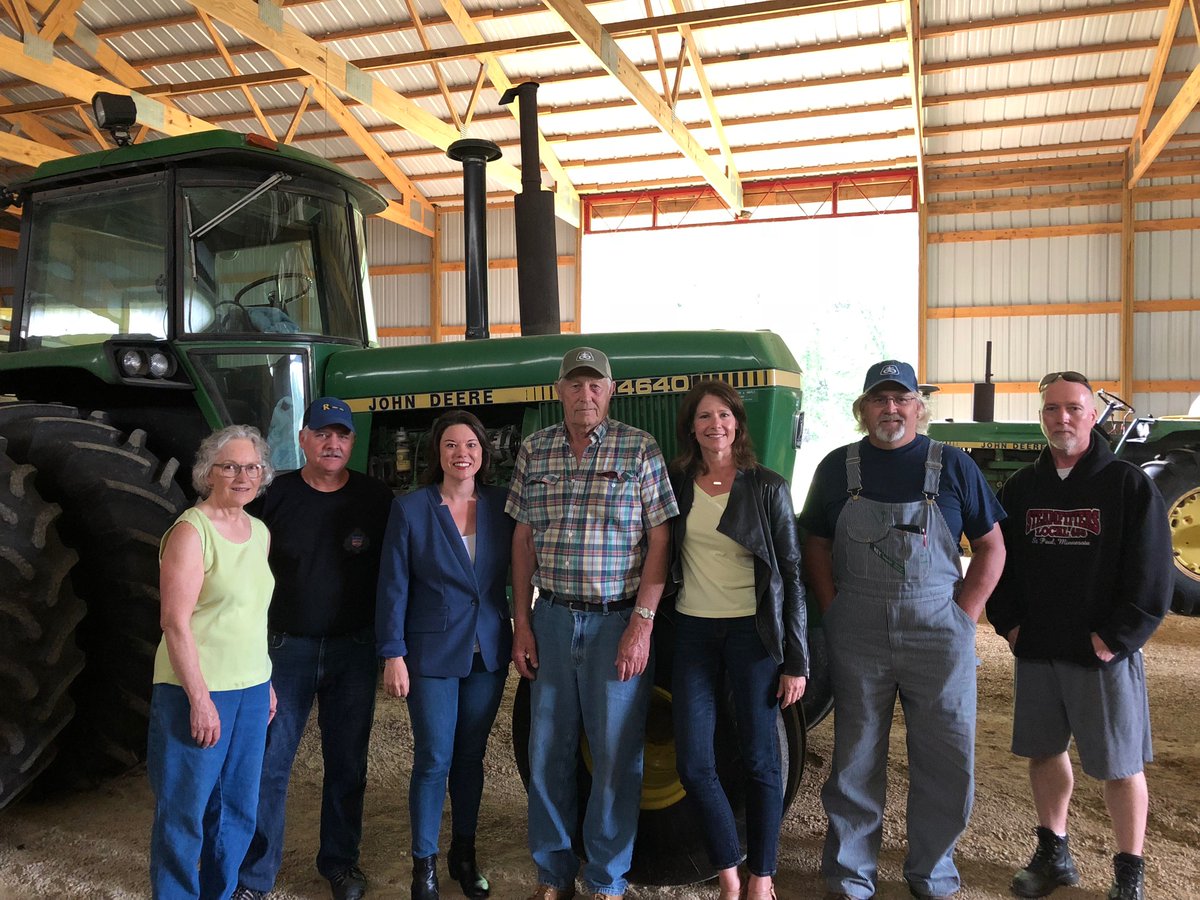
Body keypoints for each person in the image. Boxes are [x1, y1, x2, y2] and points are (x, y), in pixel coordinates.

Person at [799, 360, 1006, 900]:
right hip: (858, 629)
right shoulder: (837, 467)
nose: (890, 408)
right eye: (879, 399)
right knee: (856, 754)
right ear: (863, 409)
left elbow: (992, 547)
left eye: (901, 399)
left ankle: (932, 873)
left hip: (938, 629)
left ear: (919, 407)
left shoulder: (954, 466)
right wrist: (833, 607)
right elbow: (815, 543)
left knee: (945, 755)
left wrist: (964, 615)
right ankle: (851, 875)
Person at [986, 371, 1172, 900]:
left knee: (1120, 764)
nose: (1062, 418)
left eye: (1073, 408)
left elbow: (1152, 572)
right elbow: (998, 560)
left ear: (1092, 416)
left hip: (1102, 654)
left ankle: (1129, 871)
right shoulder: (1023, 488)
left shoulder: (1127, 485)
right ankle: (1054, 854)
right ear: (1041, 417)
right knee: (1044, 753)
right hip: (1038, 648)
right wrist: (1011, 625)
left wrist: (1116, 637)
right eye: (1052, 409)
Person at [506, 346, 678, 900]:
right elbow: (523, 540)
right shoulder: (535, 450)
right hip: (552, 619)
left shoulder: (639, 449)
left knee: (615, 757)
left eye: (595, 385)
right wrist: (522, 622)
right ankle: (553, 875)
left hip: (616, 622)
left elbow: (660, 540)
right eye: (575, 385)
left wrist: (642, 625)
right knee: (548, 753)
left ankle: (606, 879)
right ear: (559, 391)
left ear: (610, 390)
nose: (585, 394)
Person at [234, 398, 394, 900]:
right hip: (285, 651)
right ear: (303, 439)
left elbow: (397, 574)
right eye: (322, 433)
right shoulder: (272, 496)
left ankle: (341, 864)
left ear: (352, 442)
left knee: (347, 764)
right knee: (269, 765)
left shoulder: (376, 498)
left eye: (341, 435)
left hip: (354, 651)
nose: (332, 443)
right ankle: (254, 877)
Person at [667, 380, 808, 900]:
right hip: (693, 632)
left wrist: (796, 660)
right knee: (693, 764)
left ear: (737, 424)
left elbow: (791, 575)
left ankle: (761, 878)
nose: (716, 425)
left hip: (752, 633)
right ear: (692, 428)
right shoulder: (677, 483)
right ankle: (729, 873)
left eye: (724, 415)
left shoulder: (767, 486)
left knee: (760, 760)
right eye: (705, 417)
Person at [376, 410, 514, 900]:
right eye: (452, 444)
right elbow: (393, 585)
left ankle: (464, 854)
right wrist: (393, 653)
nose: (462, 453)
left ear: (483, 452)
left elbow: (521, 568)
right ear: (437, 452)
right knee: (434, 757)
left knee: (471, 757)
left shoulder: (501, 505)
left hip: (487, 652)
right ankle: (424, 867)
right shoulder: (411, 508)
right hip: (431, 652)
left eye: (471, 444)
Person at [149, 425, 276, 899]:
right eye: (230, 467)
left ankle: (219, 893)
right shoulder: (190, 532)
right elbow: (174, 622)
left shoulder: (258, 532)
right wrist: (200, 700)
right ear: (208, 473)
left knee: (238, 808)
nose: (242, 476)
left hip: (251, 688)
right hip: (196, 688)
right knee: (184, 810)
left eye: (252, 467)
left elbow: (252, 616)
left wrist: (266, 681)